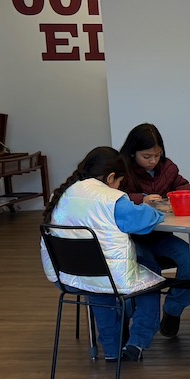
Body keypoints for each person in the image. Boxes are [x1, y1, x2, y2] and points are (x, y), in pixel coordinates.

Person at [40, 146, 166, 363]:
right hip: (108, 276)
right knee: (150, 269)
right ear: (110, 178)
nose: (119, 188)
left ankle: (111, 348)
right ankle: (137, 342)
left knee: (98, 287)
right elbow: (146, 220)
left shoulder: (63, 194)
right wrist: (152, 207)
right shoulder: (113, 200)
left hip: (67, 276)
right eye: (119, 182)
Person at [118, 123, 190, 339]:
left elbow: (185, 186)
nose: (153, 161)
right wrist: (141, 199)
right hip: (134, 238)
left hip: (161, 236)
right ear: (133, 153)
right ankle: (129, 320)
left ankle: (173, 310)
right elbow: (114, 198)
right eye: (147, 156)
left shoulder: (167, 168)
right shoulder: (122, 170)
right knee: (147, 267)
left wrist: (174, 195)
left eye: (157, 155)